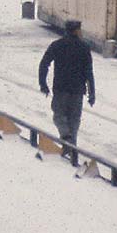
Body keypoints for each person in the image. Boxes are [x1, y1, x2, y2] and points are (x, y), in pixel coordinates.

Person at [38, 19, 95, 150]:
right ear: (76, 30)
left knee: (59, 116)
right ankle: (71, 148)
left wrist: (43, 84)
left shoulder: (57, 45)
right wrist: (92, 93)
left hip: (61, 89)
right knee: (74, 121)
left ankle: (66, 139)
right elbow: (89, 72)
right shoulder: (84, 47)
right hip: (77, 90)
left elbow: (44, 64)